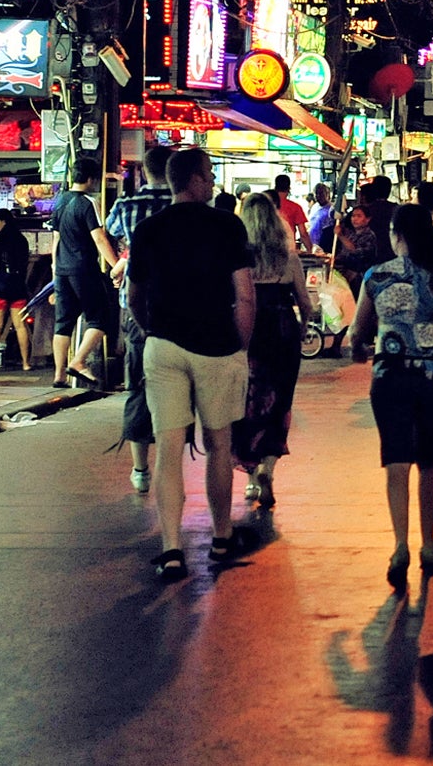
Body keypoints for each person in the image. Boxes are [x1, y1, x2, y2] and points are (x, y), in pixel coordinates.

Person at [127, 148, 256, 580]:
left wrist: (153, 330)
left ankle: (171, 549)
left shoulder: (148, 229)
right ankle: (221, 536)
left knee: (167, 448)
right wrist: (242, 345)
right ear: (195, 180)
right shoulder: (226, 225)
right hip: (216, 344)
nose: (214, 180)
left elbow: (134, 296)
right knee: (219, 444)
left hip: (163, 345)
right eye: (211, 173)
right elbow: (245, 294)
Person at [350, 205, 433, 591]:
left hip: (389, 377)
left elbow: (358, 329)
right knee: (428, 461)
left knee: (395, 461)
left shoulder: (376, 277)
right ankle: (427, 543)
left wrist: (360, 346)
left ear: (396, 235)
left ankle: (399, 545)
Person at [231, 193, 314, 508]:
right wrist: (304, 326)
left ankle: (252, 478)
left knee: (248, 400)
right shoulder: (287, 257)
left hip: (249, 329)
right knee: (280, 402)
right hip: (282, 330)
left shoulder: (238, 256)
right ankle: (268, 468)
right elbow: (304, 303)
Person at [103, 145, 174, 492]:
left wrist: (121, 261)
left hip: (136, 305)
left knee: (139, 383)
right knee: (178, 383)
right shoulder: (183, 208)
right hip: (179, 306)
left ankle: (140, 469)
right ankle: (171, 462)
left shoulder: (126, 206)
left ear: (144, 172)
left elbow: (112, 233)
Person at [49, 157, 120, 389]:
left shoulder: (60, 201)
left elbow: (56, 239)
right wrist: (115, 266)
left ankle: (59, 376)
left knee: (63, 323)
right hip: (83, 270)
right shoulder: (88, 203)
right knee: (100, 318)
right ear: (91, 179)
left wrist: (54, 269)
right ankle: (78, 361)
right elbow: (99, 238)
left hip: (61, 270)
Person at [0, 209, 31, 374]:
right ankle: (25, 363)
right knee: (20, 326)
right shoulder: (22, 240)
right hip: (17, 287)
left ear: (3, 222)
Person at [335, 206, 379, 294]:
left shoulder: (369, 236)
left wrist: (340, 236)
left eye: (359, 216)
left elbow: (355, 251)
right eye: (353, 216)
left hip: (360, 278)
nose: (355, 219)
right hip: (344, 273)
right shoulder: (351, 234)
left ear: (367, 219)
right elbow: (343, 253)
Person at [272, 173, 312, 251]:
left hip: (268, 250)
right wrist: (310, 250)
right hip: (288, 251)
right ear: (289, 188)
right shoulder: (295, 207)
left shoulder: (266, 205)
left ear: (275, 187)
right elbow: (303, 234)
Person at [308, 183, 337, 254]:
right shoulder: (314, 207)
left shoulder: (332, 209)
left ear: (327, 194)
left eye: (321, 193)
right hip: (312, 244)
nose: (318, 196)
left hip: (324, 246)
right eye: (316, 193)